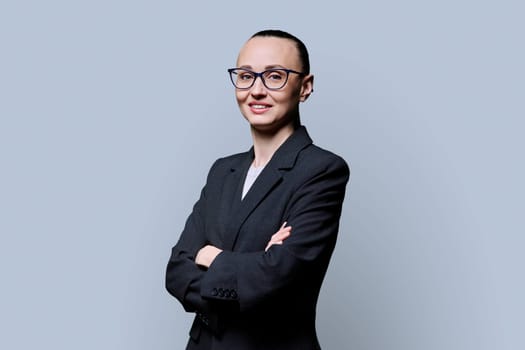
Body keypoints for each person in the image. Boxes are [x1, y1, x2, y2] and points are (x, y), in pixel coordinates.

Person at [165, 29, 350, 350]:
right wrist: (252, 263)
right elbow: (176, 271)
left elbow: (277, 276)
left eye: (275, 76)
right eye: (246, 76)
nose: (257, 90)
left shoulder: (322, 170)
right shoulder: (222, 170)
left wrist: (212, 256)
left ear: (305, 87)